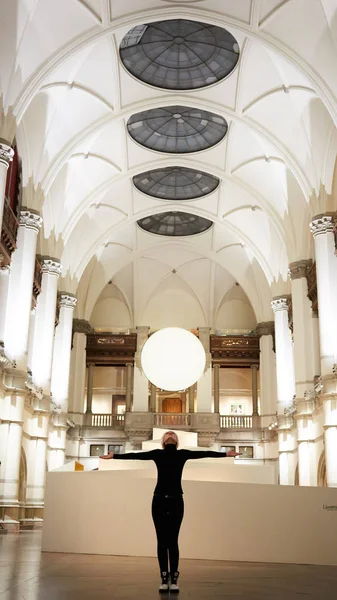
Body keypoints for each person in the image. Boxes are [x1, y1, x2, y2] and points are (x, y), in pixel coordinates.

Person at [100, 431, 240, 594]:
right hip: (159, 500)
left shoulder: (182, 455)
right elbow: (136, 456)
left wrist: (225, 454)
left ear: (177, 440)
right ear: (163, 441)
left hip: (176, 500)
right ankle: (163, 577)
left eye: (173, 434)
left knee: (173, 541)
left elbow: (204, 453)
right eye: (167, 434)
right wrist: (115, 456)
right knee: (161, 541)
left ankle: (174, 579)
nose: (170, 435)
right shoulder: (157, 454)